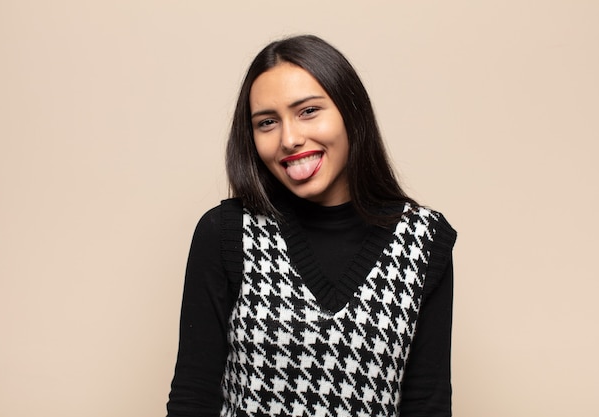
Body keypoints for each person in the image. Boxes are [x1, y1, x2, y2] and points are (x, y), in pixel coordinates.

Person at [166, 34, 457, 417]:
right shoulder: (225, 234)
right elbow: (193, 397)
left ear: (351, 112)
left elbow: (427, 404)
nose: (289, 139)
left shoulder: (423, 241)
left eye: (308, 111)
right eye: (267, 122)